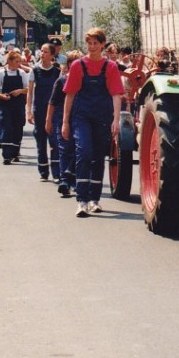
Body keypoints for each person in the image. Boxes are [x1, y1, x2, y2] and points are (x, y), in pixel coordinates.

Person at [61, 28, 124, 217]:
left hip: (102, 117)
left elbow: (116, 95)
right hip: (82, 117)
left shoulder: (111, 67)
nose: (92, 47)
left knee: (98, 156)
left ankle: (94, 200)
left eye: (96, 43)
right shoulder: (78, 66)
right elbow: (70, 94)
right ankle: (81, 200)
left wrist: (116, 119)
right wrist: (65, 121)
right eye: (89, 43)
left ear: (102, 44)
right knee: (84, 152)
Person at [46, 50, 82, 197]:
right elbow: (52, 102)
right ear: (68, 66)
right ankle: (64, 181)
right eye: (73, 65)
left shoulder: (85, 82)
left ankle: (71, 177)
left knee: (78, 149)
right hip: (62, 119)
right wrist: (48, 120)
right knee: (64, 149)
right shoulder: (61, 81)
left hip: (80, 119)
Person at [26, 43, 62, 181]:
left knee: (54, 141)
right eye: (41, 51)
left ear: (52, 55)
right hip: (39, 110)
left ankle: (56, 173)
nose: (42, 54)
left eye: (46, 51)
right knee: (40, 140)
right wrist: (28, 111)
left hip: (53, 110)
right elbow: (30, 93)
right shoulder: (34, 71)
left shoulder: (57, 72)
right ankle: (43, 171)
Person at [0, 50, 29, 165]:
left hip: (18, 104)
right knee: (7, 128)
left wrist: (20, 91)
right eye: (17, 61)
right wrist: (1, 95)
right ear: (9, 61)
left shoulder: (21, 73)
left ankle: (15, 152)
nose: (19, 64)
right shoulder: (2, 73)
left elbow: (28, 88)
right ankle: (6, 155)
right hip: (6, 104)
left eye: (19, 62)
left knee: (18, 128)